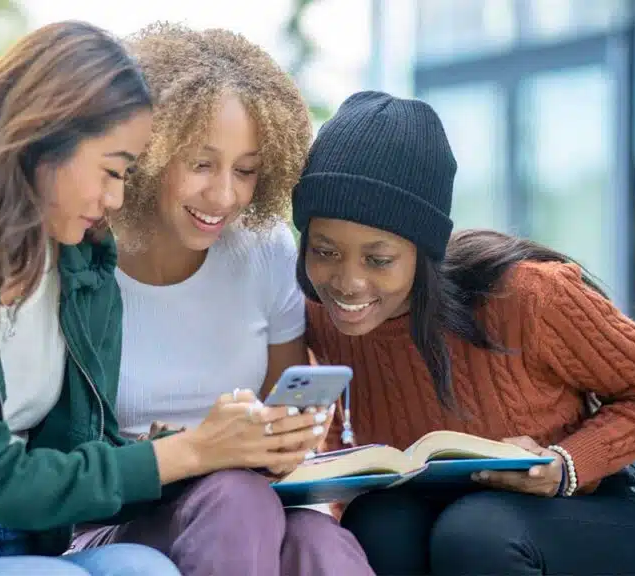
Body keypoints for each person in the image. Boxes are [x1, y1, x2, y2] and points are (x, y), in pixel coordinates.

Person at [0, 21, 323, 576]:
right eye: (111, 170)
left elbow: (84, 449)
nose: (118, 197)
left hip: (28, 543)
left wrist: (217, 444)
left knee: (142, 569)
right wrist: (192, 451)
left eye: (127, 174)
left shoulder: (79, 258)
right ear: (43, 142)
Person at [292, 91, 635, 575]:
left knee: (475, 532)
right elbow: (341, 428)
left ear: (424, 253)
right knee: (376, 521)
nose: (347, 283)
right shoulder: (323, 315)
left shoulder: (526, 296)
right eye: (325, 251)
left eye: (379, 260)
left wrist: (567, 463)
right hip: (447, 519)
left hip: (592, 518)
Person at [71, 23, 372, 576]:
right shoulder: (83, 253)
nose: (223, 196)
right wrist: (183, 451)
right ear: (151, 151)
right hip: (117, 516)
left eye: (246, 170)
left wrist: (286, 443)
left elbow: (279, 412)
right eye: (201, 164)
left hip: (251, 509)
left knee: (319, 540)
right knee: (236, 499)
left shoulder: (264, 250)